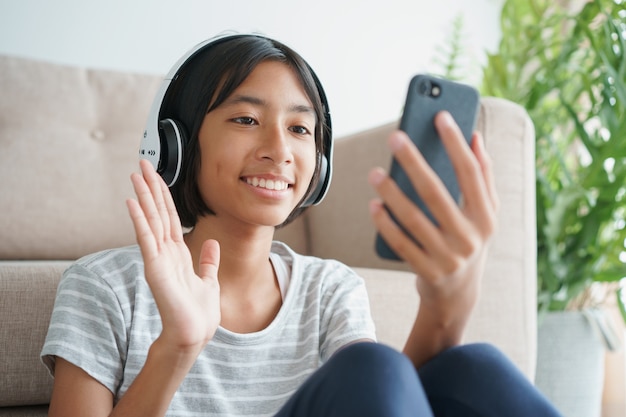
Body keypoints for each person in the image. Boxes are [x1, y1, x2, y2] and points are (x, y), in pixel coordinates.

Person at [41, 34, 562, 417]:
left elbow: (382, 400)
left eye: (299, 128)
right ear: (176, 143)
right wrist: (177, 346)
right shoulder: (102, 285)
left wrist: (446, 309)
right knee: (374, 366)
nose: (279, 150)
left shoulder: (329, 289)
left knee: (474, 369)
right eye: (246, 119)